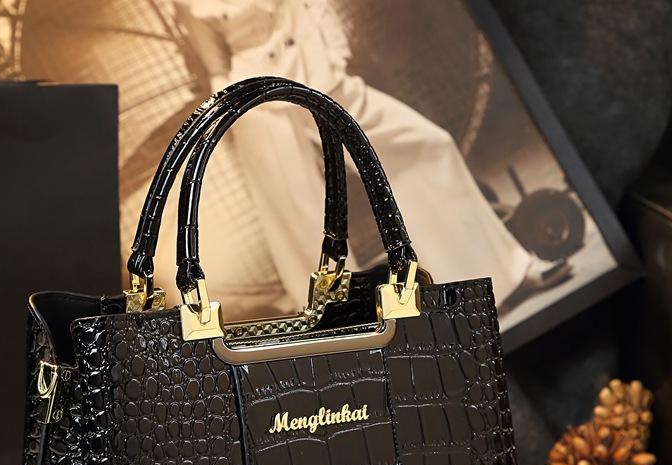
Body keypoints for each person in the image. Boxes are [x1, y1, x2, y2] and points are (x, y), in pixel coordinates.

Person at [172, 0, 570, 314]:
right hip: (263, 105)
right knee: (304, 226)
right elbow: (216, 65)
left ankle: (502, 278)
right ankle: (344, 339)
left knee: (427, 147)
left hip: (321, 76)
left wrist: (332, 53)